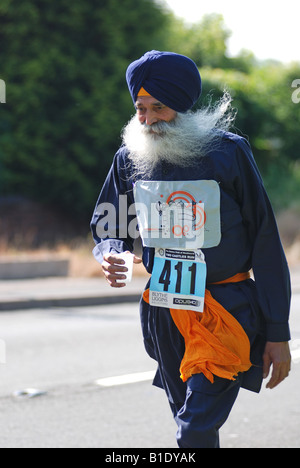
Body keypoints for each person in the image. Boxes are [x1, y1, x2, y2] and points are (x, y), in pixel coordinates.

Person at [90, 50, 291, 448]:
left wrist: (278, 333)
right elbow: (110, 224)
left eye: (158, 108)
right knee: (193, 427)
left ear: (182, 105)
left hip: (227, 312)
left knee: (194, 431)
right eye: (141, 109)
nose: (147, 120)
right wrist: (111, 252)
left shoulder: (228, 152)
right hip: (165, 311)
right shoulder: (128, 158)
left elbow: (266, 241)